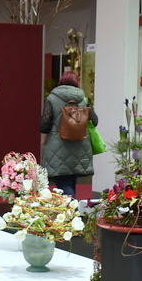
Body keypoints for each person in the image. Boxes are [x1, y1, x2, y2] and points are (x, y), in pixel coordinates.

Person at [39, 70, 98, 199]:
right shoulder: (84, 99)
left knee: (63, 182)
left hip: (57, 147)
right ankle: (72, 207)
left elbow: (45, 123)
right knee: (71, 179)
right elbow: (95, 121)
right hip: (80, 146)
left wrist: (43, 142)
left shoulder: (52, 98)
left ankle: (72, 208)